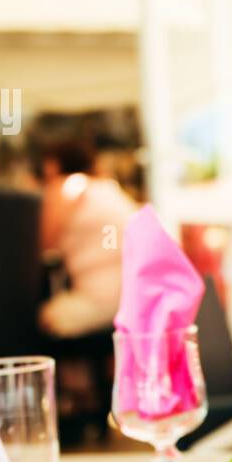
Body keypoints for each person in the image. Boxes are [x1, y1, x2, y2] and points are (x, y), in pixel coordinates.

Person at [37, 139, 138, 337]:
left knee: (41, 319)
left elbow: (42, 243)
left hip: (101, 301)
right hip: (134, 298)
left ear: (54, 164)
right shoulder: (108, 187)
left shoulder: (66, 187)